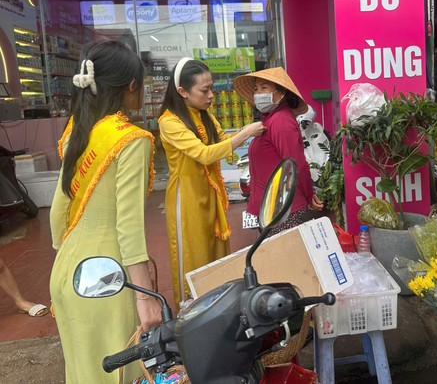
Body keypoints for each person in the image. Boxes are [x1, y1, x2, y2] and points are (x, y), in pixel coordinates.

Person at [49, 40, 161, 383]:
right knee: (122, 373)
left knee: (82, 372)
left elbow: (58, 212)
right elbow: (128, 228)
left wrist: (69, 259)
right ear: (132, 86)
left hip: (67, 273)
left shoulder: (77, 130)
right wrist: (145, 297)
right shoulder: (132, 140)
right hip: (108, 278)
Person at [158, 57, 265, 307]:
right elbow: (204, 154)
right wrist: (247, 132)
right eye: (204, 90)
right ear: (183, 92)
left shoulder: (203, 115)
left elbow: (223, 144)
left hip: (211, 194)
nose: (210, 96)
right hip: (187, 200)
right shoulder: (169, 122)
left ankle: (218, 308)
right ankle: (190, 312)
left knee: (216, 255)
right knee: (193, 258)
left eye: (211, 89)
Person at [233, 67, 323, 233]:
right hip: (272, 204)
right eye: (256, 89)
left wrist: (309, 195)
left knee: (282, 248)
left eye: (264, 88)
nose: (258, 93)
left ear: (281, 94)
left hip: (282, 207)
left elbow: (296, 164)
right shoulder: (270, 120)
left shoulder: (281, 121)